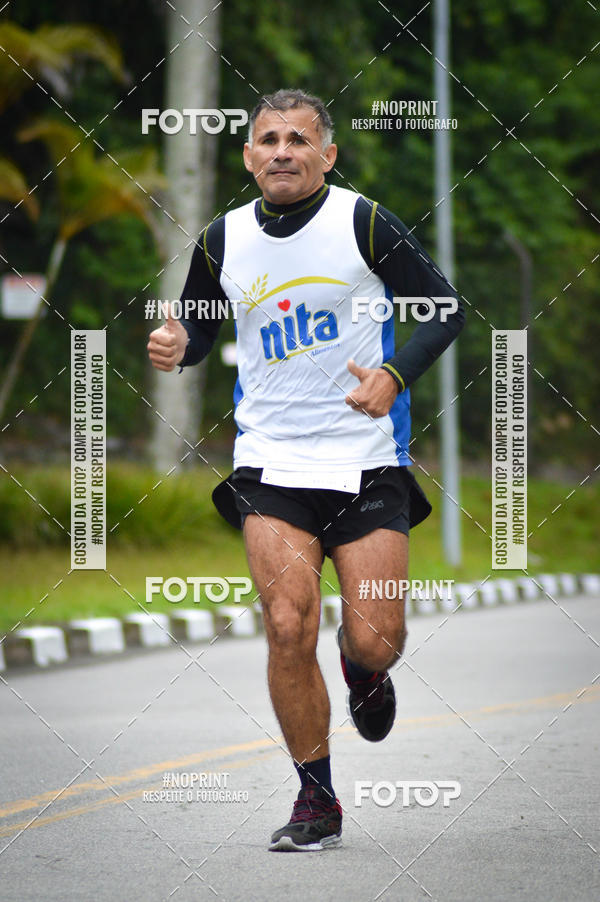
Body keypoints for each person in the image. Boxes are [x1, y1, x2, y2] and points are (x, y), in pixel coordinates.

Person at [147, 88, 465, 852]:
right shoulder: (223, 238)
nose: (282, 151)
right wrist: (177, 345)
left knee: (374, 638)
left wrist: (392, 374)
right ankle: (316, 801)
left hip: (364, 460)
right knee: (287, 624)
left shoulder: (361, 221)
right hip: (271, 461)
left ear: (328, 154)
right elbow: (198, 326)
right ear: (248, 155)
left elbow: (445, 307)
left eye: (298, 139)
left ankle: (366, 675)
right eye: (267, 139)